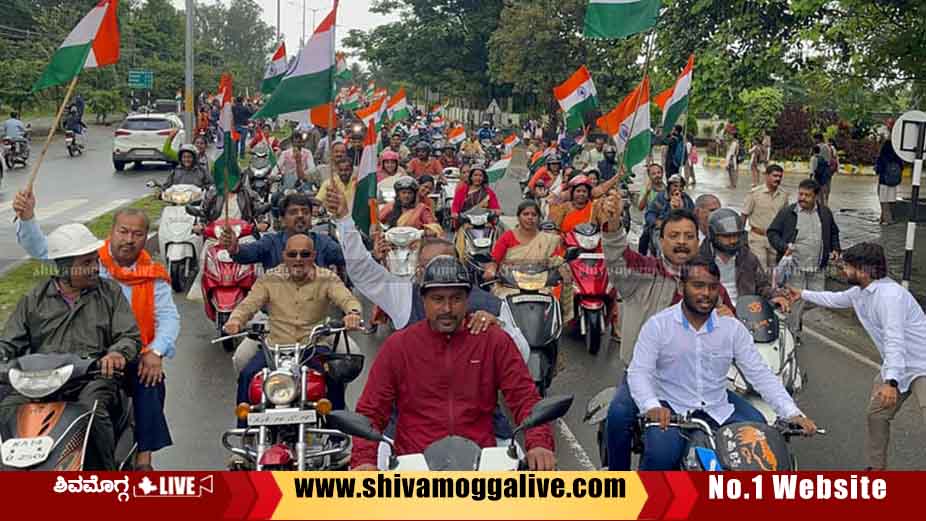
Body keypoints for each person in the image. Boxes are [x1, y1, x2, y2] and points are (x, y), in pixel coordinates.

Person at [13, 198, 178, 470]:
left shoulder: (150, 277)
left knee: (148, 380)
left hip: (120, 354)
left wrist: (155, 351)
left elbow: (168, 318)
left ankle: (140, 458)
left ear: (145, 238)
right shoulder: (86, 262)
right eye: (123, 231)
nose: (129, 239)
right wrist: (28, 218)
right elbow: (44, 249)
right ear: (111, 233)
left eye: (137, 234)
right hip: (60, 362)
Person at [349, 255, 555, 471]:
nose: (447, 308)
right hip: (413, 464)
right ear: (424, 300)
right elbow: (371, 410)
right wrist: (364, 460)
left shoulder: (493, 340)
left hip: (482, 462)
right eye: (437, 299)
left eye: (456, 299)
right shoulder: (398, 346)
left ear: (467, 299)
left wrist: (539, 443)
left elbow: (524, 397)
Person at [627, 257, 816, 470]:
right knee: (662, 457)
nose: (706, 293)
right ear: (681, 287)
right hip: (672, 407)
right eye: (698, 285)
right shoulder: (658, 325)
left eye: (712, 287)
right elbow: (639, 372)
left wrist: (791, 412)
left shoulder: (732, 328)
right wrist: (651, 406)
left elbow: (760, 373)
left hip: (719, 406)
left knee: (764, 440)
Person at [597, 201, 735, 470]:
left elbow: (735, 335)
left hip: (698, 382)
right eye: (674, 236)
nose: (681, 242)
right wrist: (612, 225)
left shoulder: (711, 284)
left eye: (689, 236)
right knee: (618, 415)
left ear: (699, 241)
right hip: (645, 376)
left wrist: (730, 320)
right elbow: (616, 255)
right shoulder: (639, 271)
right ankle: (618, 484)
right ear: (660, 240)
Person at [325, 183, 530, 361]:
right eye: (429, 268)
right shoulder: (405, 296)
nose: (446, 308)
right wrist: (344, 220)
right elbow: (361, 269)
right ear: (419, 271)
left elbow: (521, 355)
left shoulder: (492, 306)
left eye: (444, 266)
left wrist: (499, 328)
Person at [1, 222, 142, 470]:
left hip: (91, 379)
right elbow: (9, 342)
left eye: (94, 261)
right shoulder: (33, 299)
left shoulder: (109, 293)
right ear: (63, 269)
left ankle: (104, 478)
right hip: (38, 382)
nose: (94, 268)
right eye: (85, 263)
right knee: (8, 411)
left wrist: (116, 353)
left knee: (92, 412)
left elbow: (128, 335)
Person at [786, 242, 926, 470]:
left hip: (921, 364)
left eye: (847, 267)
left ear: (864, 270)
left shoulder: (890, 296)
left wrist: (891, 382)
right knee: (877, 415)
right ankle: (876, 469)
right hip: (896, 364)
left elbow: (894, 340)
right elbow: (833, 299)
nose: (842, 271)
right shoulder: (860, 293)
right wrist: (802, 293)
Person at [224, 233, 363, 425]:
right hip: (275, 348)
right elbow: (249, 304)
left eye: (305, 254)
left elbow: (346, 298)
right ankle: (244, 435)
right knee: (248, 375)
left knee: (333, 379)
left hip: (313, 346)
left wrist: (353, 313)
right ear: (284, 256)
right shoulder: (270, 278)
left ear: (314, 255)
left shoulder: (327, 278)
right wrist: (235, 320)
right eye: (293, 254)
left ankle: (337, 436)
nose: (298, 259)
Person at [767, 178, 841, 344]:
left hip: (817, 267)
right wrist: (783, 246)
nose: (802, 198)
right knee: (796, 303)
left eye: (807, 195)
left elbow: (834, 233)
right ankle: (791, 336)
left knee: (817, 300)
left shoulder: (825, 213)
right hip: (794, 268)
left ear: (816, 196)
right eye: (800, 194)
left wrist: (836, 249)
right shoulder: (788, 213)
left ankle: (794, 321)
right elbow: (772, 232)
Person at [699, 208, 787, 308]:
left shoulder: (748, 258)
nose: (733, 241)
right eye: (726, 236)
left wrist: (775, 296)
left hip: (745, 311)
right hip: (710, 310)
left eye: (736, 235)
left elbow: (762, 286)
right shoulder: (699, 260)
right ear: (713, 235)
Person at [484, 199, 563, 288]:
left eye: (534, 215)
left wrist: (563, 270)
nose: (530, 217)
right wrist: (491, 270)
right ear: (518, 217)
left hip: (542, 287)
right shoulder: (507, 237)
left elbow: (556, 262)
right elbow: (495, 260)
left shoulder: (548, 240)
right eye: (526, 214)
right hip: (511, 287)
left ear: (539, 218)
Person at [742, 164, 790, 270]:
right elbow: (744, 214)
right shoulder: (754, 194)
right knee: (760, 269)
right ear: (766, 176)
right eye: (775, 176)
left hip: (775, 239)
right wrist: (741, 236)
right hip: (757, 238)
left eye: (780, 176)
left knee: (774, 269)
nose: (778, 179)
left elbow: (786, 218)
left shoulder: (784, 195)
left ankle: (771, 287)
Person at [645, 174, 694, 252]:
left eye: (681, 186)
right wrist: (656, 222)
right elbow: (650, 213)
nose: (678, 189)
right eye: (675, 186)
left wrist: (680, 209)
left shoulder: (687, 200)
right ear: (669, 186)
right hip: (661, 230)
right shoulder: (661, 198)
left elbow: (693, 217)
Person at [875, 125, 904, 225]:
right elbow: (901, 164)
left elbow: (880, 164)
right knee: (891, 199)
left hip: (884, 178)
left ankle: (887, 219)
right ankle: (884, 218)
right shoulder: (898, 149)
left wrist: (878, 170)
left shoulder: (886, 147)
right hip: (894, 179)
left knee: (883, 199)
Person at [637, 164, 666, 256]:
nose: (657, 175)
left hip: (666, 221)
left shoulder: (668, 188)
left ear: (662, 173)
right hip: (650, 222)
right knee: (644, 239)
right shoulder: (645, 188)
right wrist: (647, 193)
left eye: (659, 172)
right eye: (653, 174)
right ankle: (641, 260)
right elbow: (640, 207)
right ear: (649, 176)